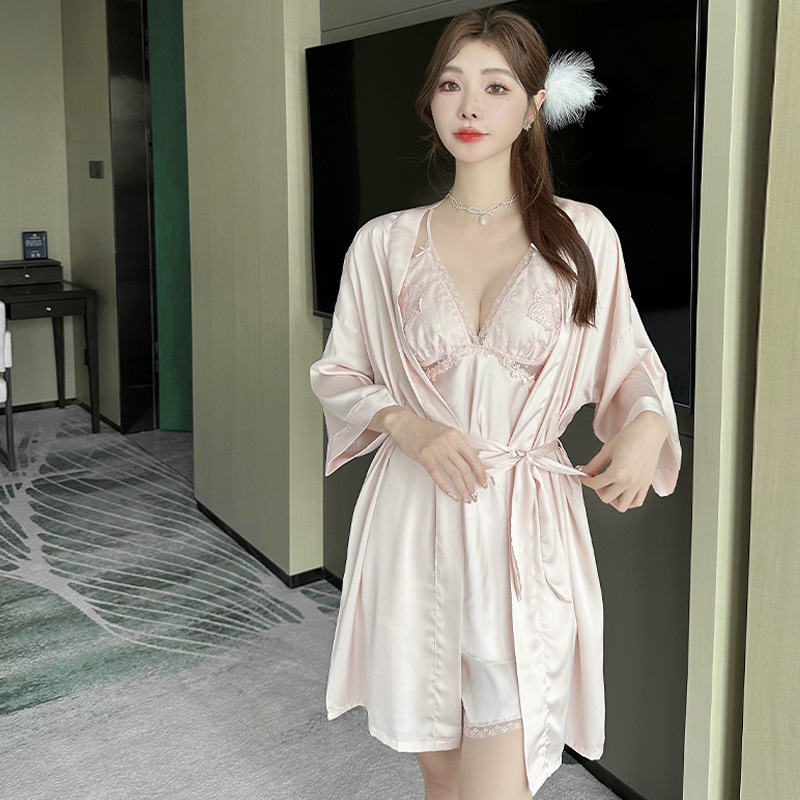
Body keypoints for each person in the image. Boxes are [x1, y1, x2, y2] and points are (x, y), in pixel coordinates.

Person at [309, 6, 682, 799]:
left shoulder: (585, 237)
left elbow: (628, 364)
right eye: (451, 85)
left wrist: (649, 422)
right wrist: (405, 423)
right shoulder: (383, 243)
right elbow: (339, 372)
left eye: (496, 86)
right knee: (441, 774)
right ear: (430, 103)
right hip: (414, 516)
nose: (470, 106)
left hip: (526, 528)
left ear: (534, 107)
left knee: (499, 775)